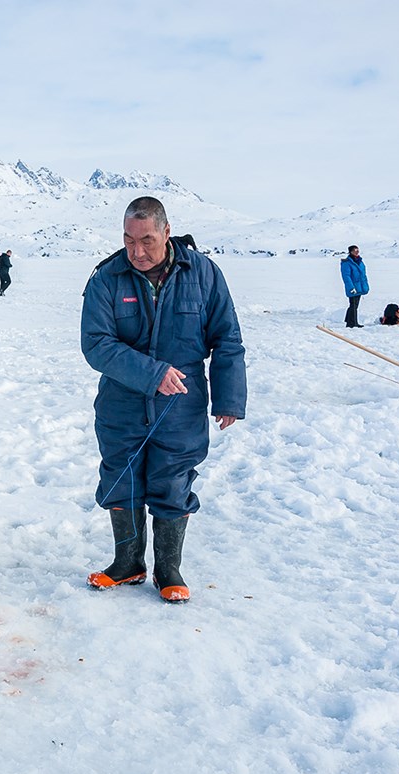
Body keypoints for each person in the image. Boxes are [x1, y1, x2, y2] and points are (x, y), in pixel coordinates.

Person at [80, 196, 247, 603]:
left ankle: (168, 568)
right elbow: (96, 344)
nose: (136, 251)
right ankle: (127, 563)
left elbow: (227, 338)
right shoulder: (107, 278)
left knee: (173, 482)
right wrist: (152, 374)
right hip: (122, 403)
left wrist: (229, 398)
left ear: (167, 233)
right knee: (122, 479)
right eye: (128, 240)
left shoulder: (203, 274)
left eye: (147, 241)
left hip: (181, 407)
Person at [341, 245, 369, 328]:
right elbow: (346, 276)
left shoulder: (360, 261)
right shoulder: (346, 263)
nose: (357, 252)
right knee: (353, 305)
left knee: (355, 305)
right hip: (353, 286)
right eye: (355, 250)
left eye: (357, 250)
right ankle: (353, 323)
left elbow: (363, 275)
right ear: (350, 252)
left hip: (360, 286)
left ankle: (349, 321)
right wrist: (351, 287)